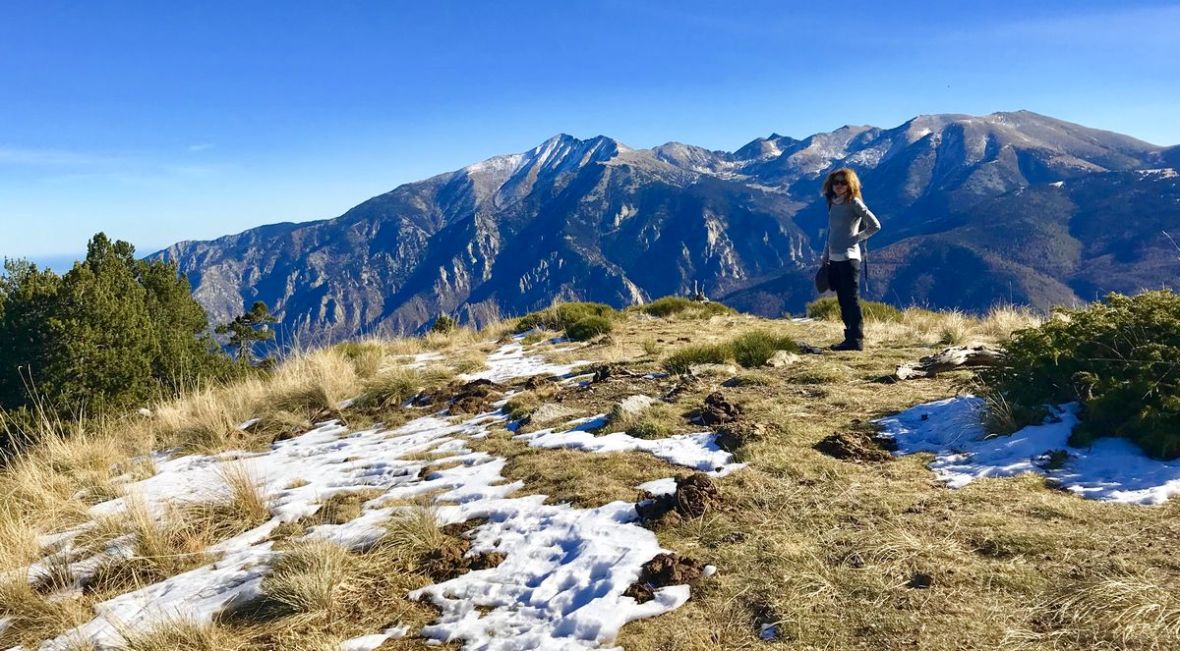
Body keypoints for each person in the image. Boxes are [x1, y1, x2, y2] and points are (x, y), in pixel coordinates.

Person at [821, 168, 881, 351]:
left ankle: (856, 340)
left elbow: (875, 226)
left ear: (850, 185)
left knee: (851, 300)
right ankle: (849, 338)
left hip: (849, 259)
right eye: (836, 182)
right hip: (835, 258)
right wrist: (825, 255)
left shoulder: (854, 203)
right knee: (842, 300)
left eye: (843, 182)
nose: (839, 185)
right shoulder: (833, 202)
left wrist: (856, 238)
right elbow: (831, 231)